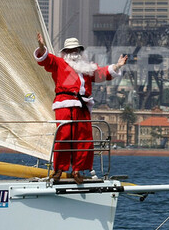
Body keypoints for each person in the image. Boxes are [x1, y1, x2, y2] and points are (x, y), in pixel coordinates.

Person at [35, 33, 128, 183]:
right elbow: (45, 60)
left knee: (84, 139)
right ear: (65, 52)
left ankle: (78, 170)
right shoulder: (59, 63)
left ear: (80, 51)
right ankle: (59, 169)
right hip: (65, 103)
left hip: (83, 106)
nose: (74, 53)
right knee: (63, 136)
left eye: (76, 50)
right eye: (70, 50)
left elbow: (102, 73)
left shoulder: (87, 68)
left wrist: (117, 66)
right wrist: (41, 47)